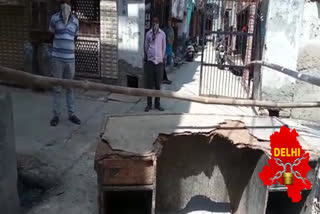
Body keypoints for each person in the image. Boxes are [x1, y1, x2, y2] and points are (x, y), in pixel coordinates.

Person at [48, 0, 81, 126]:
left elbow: (75, 38)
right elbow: (51, 35)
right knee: (57, 87)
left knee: (69, 88)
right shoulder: (54, 19)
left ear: (71, 6)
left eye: (68, 2)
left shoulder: (75, 21)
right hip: (57, 58)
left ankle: (71, 114)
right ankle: (56, 115)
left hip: (70, 59)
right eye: (64, 2)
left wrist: (69, 49)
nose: (66, 5)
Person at [144, 16, 166, 112]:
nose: (155, 23)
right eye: (153, 22)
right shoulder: (148, 33)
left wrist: (161, 57)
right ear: (152, 23)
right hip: (150, 62)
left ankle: (157, 104)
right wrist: (149, 55)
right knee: (149, 84)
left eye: (156, 22)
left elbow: (164, 47)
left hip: (159, 63)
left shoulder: (162, 34)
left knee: (158, 84)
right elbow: (146, 46)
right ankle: (149, 105)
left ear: (159, 23)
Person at [163, 18, 174, 85]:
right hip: (165, 45)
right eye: (168, 22)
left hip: (169, 45)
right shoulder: (164, 29)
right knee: (165, 59)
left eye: (170, 21)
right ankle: (165, 78)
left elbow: (172, 37)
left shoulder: (171, 29)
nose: (169, 23)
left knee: (169, 58)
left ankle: (166, 77)